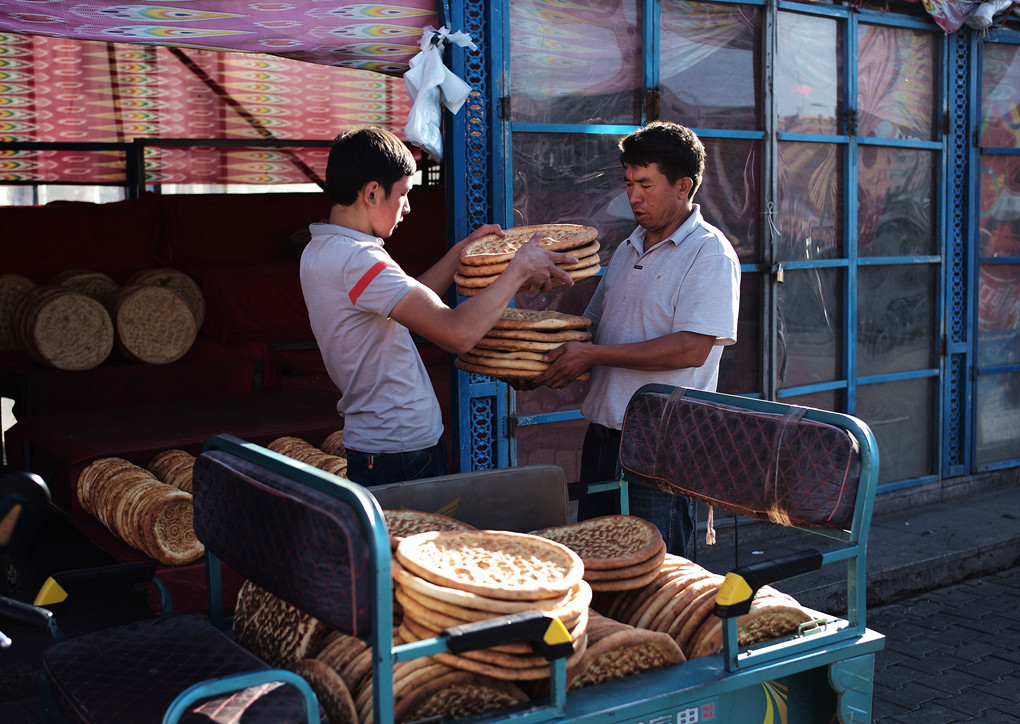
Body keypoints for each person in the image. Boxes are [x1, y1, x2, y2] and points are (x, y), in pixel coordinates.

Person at [300, 126, 577, 487]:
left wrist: (461, 253)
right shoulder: (360, 260)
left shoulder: (321, 250)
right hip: (399, 452)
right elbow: (457, 333)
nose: (408, 207)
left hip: (380, 445)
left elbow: (413, 307)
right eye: (403, 193)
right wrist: (517, 269)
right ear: (371, 193)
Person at [534, 121, 740, 557]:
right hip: (604, 439)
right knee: (598, 569)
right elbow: (593, 327)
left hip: (662, 448)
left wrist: (593, 354)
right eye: (629, 183)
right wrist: (540, 358)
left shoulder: (709, 253)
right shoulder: (629, 247)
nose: (634, 196)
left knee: (656, 579)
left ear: (683, 186)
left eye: (646, 184)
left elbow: (691, 347)